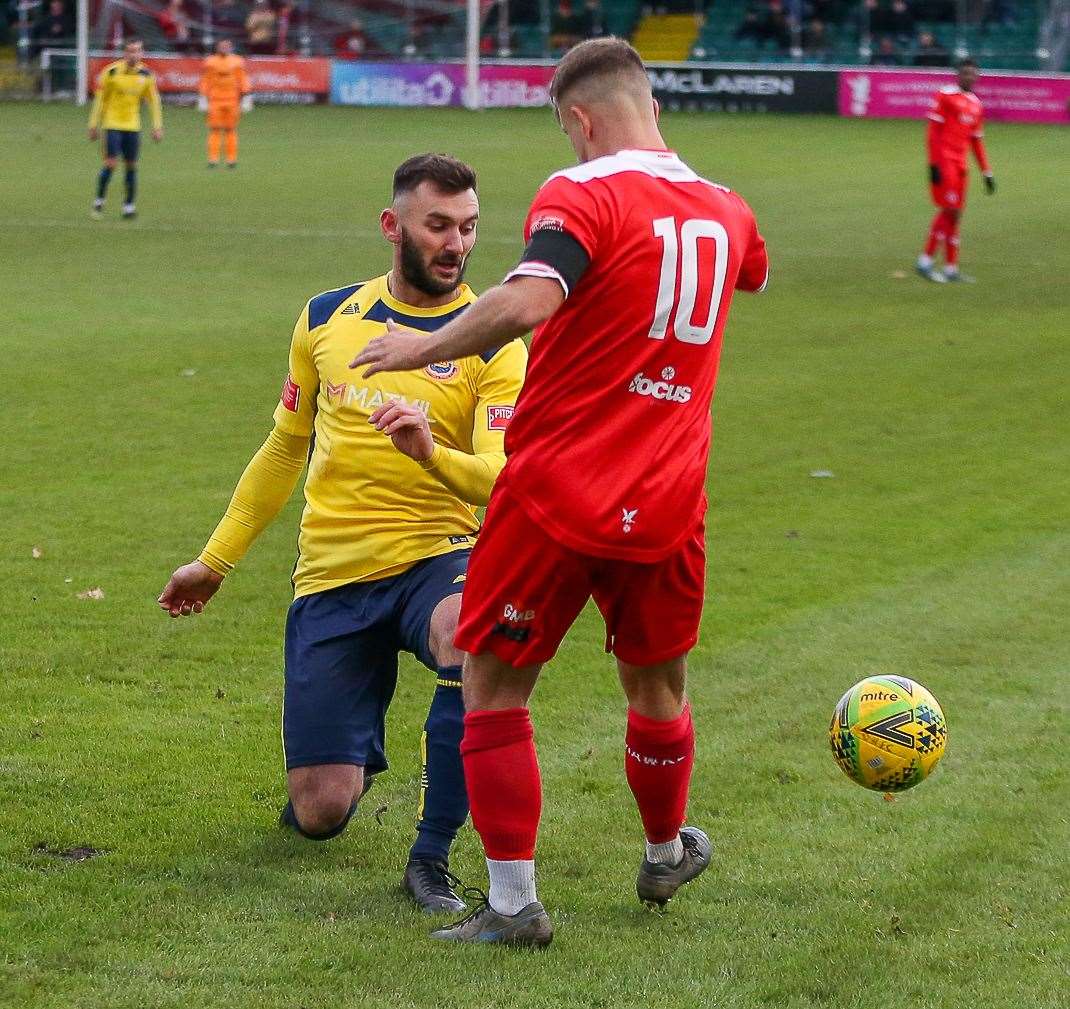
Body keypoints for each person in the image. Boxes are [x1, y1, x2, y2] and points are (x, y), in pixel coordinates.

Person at [352, 37, 768, 947]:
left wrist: (419, 346)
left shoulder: (582, 191)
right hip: (668, 499)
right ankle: (665, 848)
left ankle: (513, 906)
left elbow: (532, 299)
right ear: (651, 104)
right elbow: (748, 271)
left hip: (556, 492)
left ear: (579, 119)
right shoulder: (727, 209)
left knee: (495, 683)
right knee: (656, 683)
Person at [158, 155, 527, 914]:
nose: (456, 243)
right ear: (393, 227)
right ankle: (352, 748)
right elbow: (284, 445)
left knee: (471, 634)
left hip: (438, 559)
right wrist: (215, 560)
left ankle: (430, 857)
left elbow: (505, 479)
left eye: (468, 227)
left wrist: (434, 454)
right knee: (320, 813)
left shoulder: (493, 343)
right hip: (332, 574)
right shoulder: (327, 317)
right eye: (438, 225)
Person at [916, 58, 995, 283]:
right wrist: (933, 164)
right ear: (958, 75)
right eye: (965, 73)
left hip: (961, 166)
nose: (969, 77)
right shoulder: (945, 96)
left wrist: (987, 172)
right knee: (949, 210)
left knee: (956, 215)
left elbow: (976, 141)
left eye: (973, 73)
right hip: (945, 162)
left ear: (977, 77)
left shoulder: (976, 104)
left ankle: (951, 269)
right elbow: (933, 132)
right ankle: (925, 261)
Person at [88, 39, 162, 220]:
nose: (133, 55)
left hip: (133, 126)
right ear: (124, 53)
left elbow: (153, 102)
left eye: (137, 51)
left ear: (142, 53)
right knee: (111, 163)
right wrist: (93, 124)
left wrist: (157, 126)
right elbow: (100, 100)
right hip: (112, 124)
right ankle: (99, 200)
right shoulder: (111, 72)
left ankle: (128, 205)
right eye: (130, 51)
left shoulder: (146, 75)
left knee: (131, 165)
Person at [198, 38, 251, 169]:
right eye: (222, 46)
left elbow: (242, 79)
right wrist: (203, 97)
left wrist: (247, 96)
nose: (224, 48)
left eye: (226, 46)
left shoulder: (237, 62)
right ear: (217, 47)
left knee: (230, 129)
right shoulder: (210, 62)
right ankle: (213, 159)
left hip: (232, 100)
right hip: (215, 100)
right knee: (214, 129)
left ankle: (231, 160)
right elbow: (206, 80)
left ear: (231, 47)